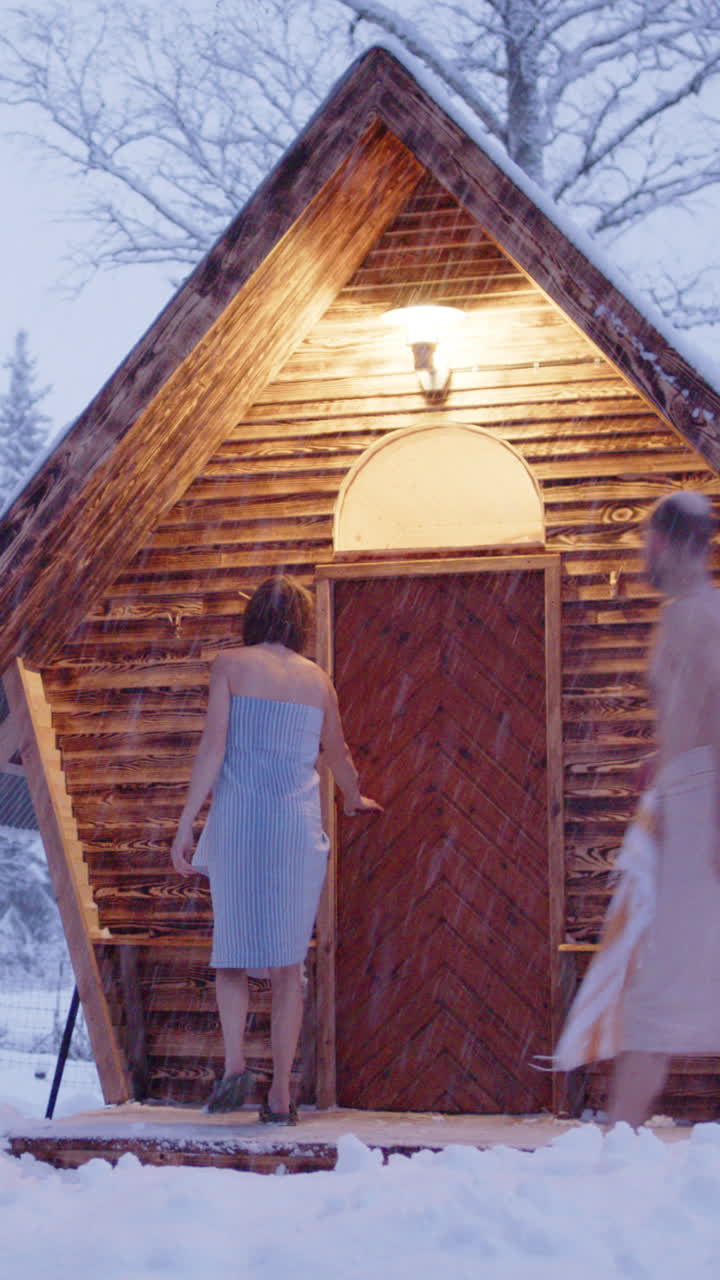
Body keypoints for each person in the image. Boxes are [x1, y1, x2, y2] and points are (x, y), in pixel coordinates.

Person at [170, 575, 381, 1124]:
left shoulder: (230, 665)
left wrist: (188, 822)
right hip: (294, 827)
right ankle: (282, 1095)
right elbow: (337, 754)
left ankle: (236, 1065)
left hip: (241, 822)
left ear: (254, 618)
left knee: (234, 950)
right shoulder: (319, 682)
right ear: (302, 623)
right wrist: (355, 800)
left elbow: (214, 747)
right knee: (289, 965)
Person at [607, 490, 720, 1127]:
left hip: (705, 808)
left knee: (659, 985)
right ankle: (615, 1137)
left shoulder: (704, 616)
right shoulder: (682, 615)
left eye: (650, 538)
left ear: (677, 544)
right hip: (684, 796)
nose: (645, 551)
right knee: (661, 979)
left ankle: (615, 1141)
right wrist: (661, 758)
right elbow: (691, 713)